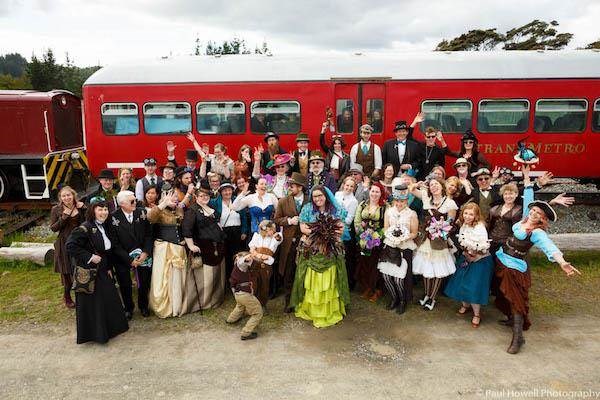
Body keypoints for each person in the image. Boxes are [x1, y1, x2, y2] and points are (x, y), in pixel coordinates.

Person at [494, 165, 580, 354]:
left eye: (537, 214)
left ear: (542, 219)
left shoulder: (538, 232)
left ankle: (518, 338)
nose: (533, 213)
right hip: (503, 257)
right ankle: (510, 319)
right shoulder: (525, 218)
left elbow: (549, 246)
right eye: (533, 211)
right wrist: (526, 176)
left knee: (517, 299)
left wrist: (561, 261)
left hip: (515, 265)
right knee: (503, 292)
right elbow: (530, 197)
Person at [66, 197, 129, 344]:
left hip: (102, 270)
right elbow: (70, 246)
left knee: (108, 299)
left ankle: (111, 329)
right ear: (93, 211)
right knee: (95, 303)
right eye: (100, 209)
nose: (104, 212)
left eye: (106, 209)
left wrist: (108, 268)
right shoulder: (85, 228)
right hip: (90, 272)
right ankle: (97, 334)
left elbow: (106, 250)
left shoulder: (105, 226)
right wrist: (90, 256)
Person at [291, 185, 350, 328]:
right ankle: (312, 309)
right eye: (315, 196)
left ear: (326, 195)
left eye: (320, 195)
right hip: (312, 249)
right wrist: (317, 235)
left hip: (330, 251)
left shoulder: (337, 210)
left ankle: (328, 311)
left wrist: (328, 237)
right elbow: (303, 227)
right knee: (311, 279)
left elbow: (341, 229)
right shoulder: (307, 209)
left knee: (330, 279)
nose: (317, 199)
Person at [444, 203, 494, 328]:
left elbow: (483, 246)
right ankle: (465, 304)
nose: (467, 216)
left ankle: (476, 314)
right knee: (461, 282)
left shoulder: (480, 227)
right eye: (465, 213)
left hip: (479, 260)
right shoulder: (463, 225)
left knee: (474, 286)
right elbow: (462, 240)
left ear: (476, 215)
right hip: (466, 257)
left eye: (471, 214)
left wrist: (473, 252)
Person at [411, 177, 458, 310]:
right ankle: (426, 295)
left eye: (436, 184)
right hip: (426, 239)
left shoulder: (450, 203)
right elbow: (411, 189)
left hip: (439, 241)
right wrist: (418, 183)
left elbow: (451, 224)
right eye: (431, 185)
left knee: (437, 270)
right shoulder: (426, 197)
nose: (433, 187)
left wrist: (440, 231)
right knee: (426, 268)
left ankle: (432, 298)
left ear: (442, 186)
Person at [182, 184, 227, 311]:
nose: (204, 197)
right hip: (203, 247)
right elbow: (187, 229)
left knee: (216, 275)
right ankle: (204, 302)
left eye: (206, 195)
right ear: (196, 197)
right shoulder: (192, 210)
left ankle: (215, 299)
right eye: (201, 195)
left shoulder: (210, 208)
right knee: (205, 278)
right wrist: (191, 245)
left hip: (217, 246)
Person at [110, 190, 153, 319]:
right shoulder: (112, 218)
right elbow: (114, 243)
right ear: (122, 204)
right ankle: (128, 308)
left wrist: (145, 252)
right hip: (123, 257)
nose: (136, 202)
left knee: (144, 282)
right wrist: (129, 260)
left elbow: (149, 235)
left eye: (135, 200)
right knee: (125, 284)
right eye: (132, 201)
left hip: (142, 255)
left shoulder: (142, 213)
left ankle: (143, 306)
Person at [377, 185, 418, 314]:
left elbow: (414, 233)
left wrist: (403, 238)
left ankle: (402, 300)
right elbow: (385, 228)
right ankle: (394, 298)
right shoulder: (389, 211)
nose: (399, 203)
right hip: (390, 247)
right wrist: (391, 236)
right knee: (386, 276)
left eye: (402, 201)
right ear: (394, 200)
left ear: (406, 201)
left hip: (404, 248)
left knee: (399, 278)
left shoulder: (412, 214)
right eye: (397, 201)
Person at [147, 189, 188, 318]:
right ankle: (165, 306)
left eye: (176, 197)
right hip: (164, 248)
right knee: (164, 276)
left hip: (178, 249)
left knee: (177, 277)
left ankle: (177, 305)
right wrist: (163, 204)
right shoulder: (158, 210)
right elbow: (150, 218)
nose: (175, 199)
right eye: (172, 197)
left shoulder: (179, 210)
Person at [273, 172, 308, 312]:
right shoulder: (283, 201)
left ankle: (303, 300)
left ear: (300, 187)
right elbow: (276, 219)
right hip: (289, 243)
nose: (290, 188)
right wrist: (288, 221)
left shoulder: (310, 200)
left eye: (292, 185)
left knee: (303, 272)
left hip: (306, 242)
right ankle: (288, 302)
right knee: (288, 273)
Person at [50, 186, 86, 309]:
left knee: (80, 270)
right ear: (60, 198)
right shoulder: (56, 209)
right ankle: (67, 296)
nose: (67, 198)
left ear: (73, 195)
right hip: (64, 244)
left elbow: (88, 222)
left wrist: (85, 209)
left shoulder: (80, 206)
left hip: (78, 242)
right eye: (64, 196)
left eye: (69, 195)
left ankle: (82, 297)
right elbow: (54, 228)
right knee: (67, 272)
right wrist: (64, 217)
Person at [209, 182, 250, 280]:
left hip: (237, 232)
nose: (227, 192)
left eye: (229, 190)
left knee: (238, 256)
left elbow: (244, 217)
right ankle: (228, 280)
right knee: (226, 256)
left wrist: (244, 231)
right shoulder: (215, 202)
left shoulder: (237, 200)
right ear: (221, 192)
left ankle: (239, 279)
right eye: (225, 191)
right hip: (224, 233)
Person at [354, 181, 387, 302]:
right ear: (369, 192)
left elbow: (386, 225)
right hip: (363, 238)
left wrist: (376, 236)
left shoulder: (385, 207)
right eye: (372, 191)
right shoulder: (362, 204)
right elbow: (357, 221)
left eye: (377, 191)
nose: (374, 193)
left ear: (381, 193)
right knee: (364, 263)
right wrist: (362, 234)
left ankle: (377, 290)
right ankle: (367, 287)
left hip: (378, 240)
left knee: (375, 265)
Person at [226, 252, 263, 341]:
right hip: (244, 294)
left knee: (240, 306)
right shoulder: (240, 264)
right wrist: (247, 258)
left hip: (238, 294)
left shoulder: (238, 266)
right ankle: (246, 333)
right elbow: (243, 261)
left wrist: (254, 258)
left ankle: (231, 319)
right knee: (258, 313)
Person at [247, 220, 283, 307]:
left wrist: (274, 234)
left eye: (271, 230)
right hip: (255, 261)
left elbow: (279, 238)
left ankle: (262, 304)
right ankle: (252, 304)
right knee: (254, 282)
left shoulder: (275, 238)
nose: (270, 232)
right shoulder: (257, 236)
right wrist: (256, 254)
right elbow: (252, 248)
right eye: (268, 230)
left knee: (264, 283)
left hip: (266, 263)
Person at [335, 176, 359, 290]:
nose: (349, 188)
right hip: (333, 228)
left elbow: (349, 220)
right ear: (343, 184)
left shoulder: (354, 201)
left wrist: (338, 219)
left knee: (344, 258)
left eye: (351, 186)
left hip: (344, 231)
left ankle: (346, 282)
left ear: (354, 188)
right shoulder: (337, 194)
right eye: (347, 185)